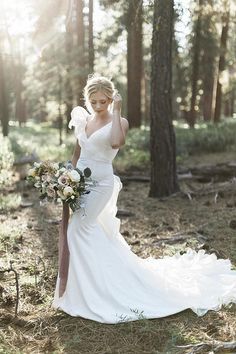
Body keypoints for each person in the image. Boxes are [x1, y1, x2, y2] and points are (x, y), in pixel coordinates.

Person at [52, 74, 236, 324]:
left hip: (101, 184)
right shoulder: (84, 119)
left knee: (78, 229)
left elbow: (116, 141)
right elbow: (77, 152)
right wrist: (66, 178)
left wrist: (116, 110)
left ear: (110, 99)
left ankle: (96, 292)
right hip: (79, 183)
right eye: (93, 101)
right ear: (88, 100)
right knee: (86, 231)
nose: (98, 106)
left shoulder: (120, 121)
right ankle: (87, 286)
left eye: (103, 101)